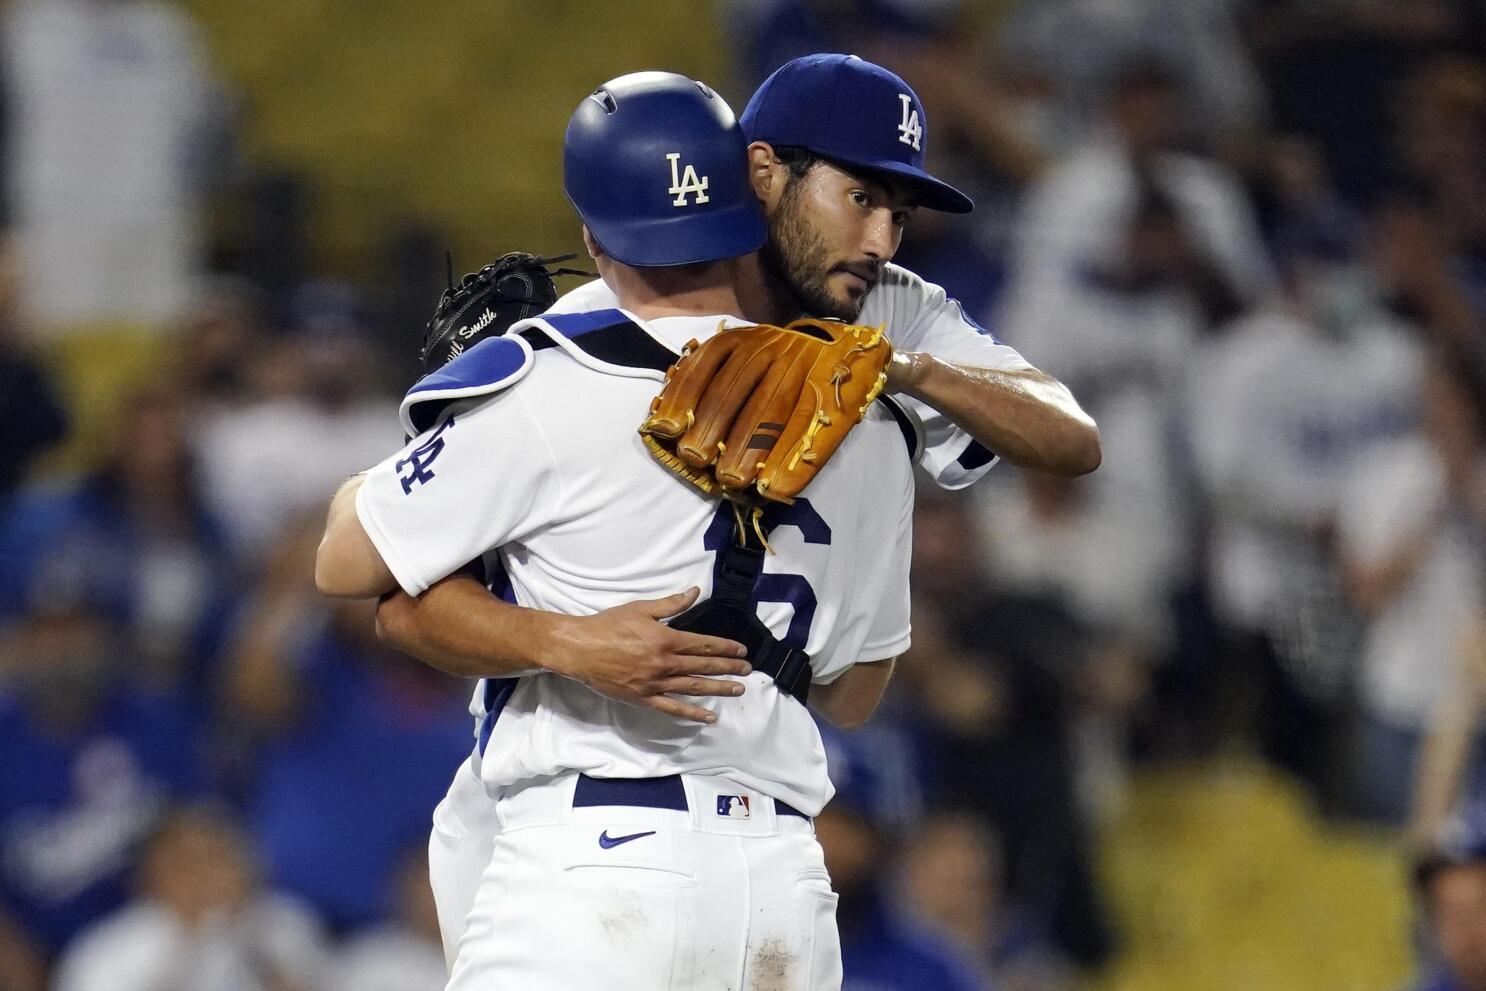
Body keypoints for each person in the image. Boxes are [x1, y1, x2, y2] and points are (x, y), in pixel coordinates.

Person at [356, 52, 1100, 969]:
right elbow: (856, 691)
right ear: (761, 173)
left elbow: (1073, 439)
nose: (881, 241)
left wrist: (906, 370)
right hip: (754, 857)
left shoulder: (882, 317)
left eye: (898, 216)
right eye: (860, 198)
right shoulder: (634, 309)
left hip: (594, 831)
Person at [317, 70, 918, 988]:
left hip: (594, 866)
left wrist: (442, 430)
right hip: (784, 893)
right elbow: (854, 694)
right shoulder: (873, 421)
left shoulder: (547, 387)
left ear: (594, 236)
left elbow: (345, 562)